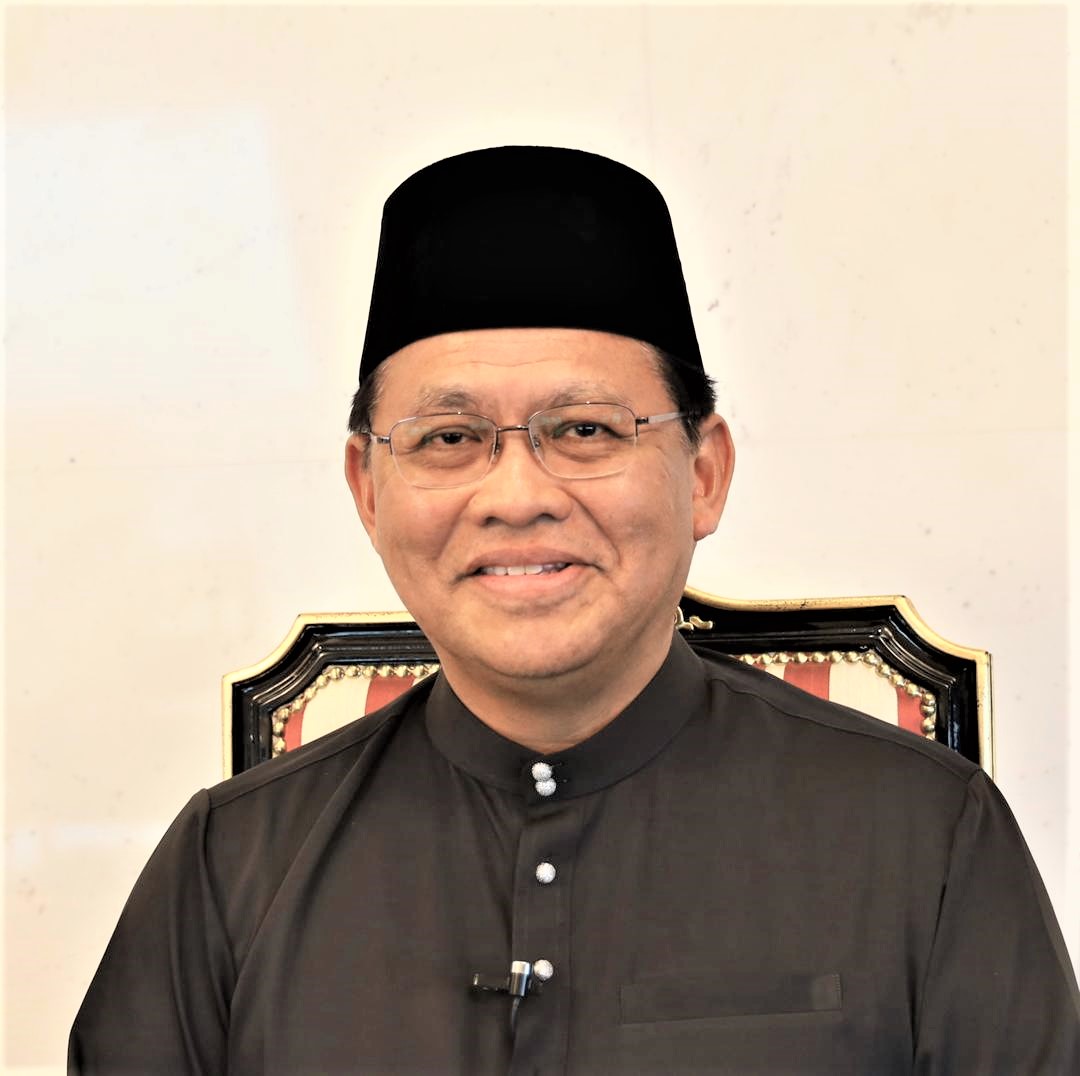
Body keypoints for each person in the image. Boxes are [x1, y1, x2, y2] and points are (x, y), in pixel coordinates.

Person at [70, 146, 1079, 1074]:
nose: (517, 496)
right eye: (449, 439)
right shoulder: (230, 864)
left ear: (704, 473)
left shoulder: (926, 835)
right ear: (367, 490)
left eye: (586, 429)